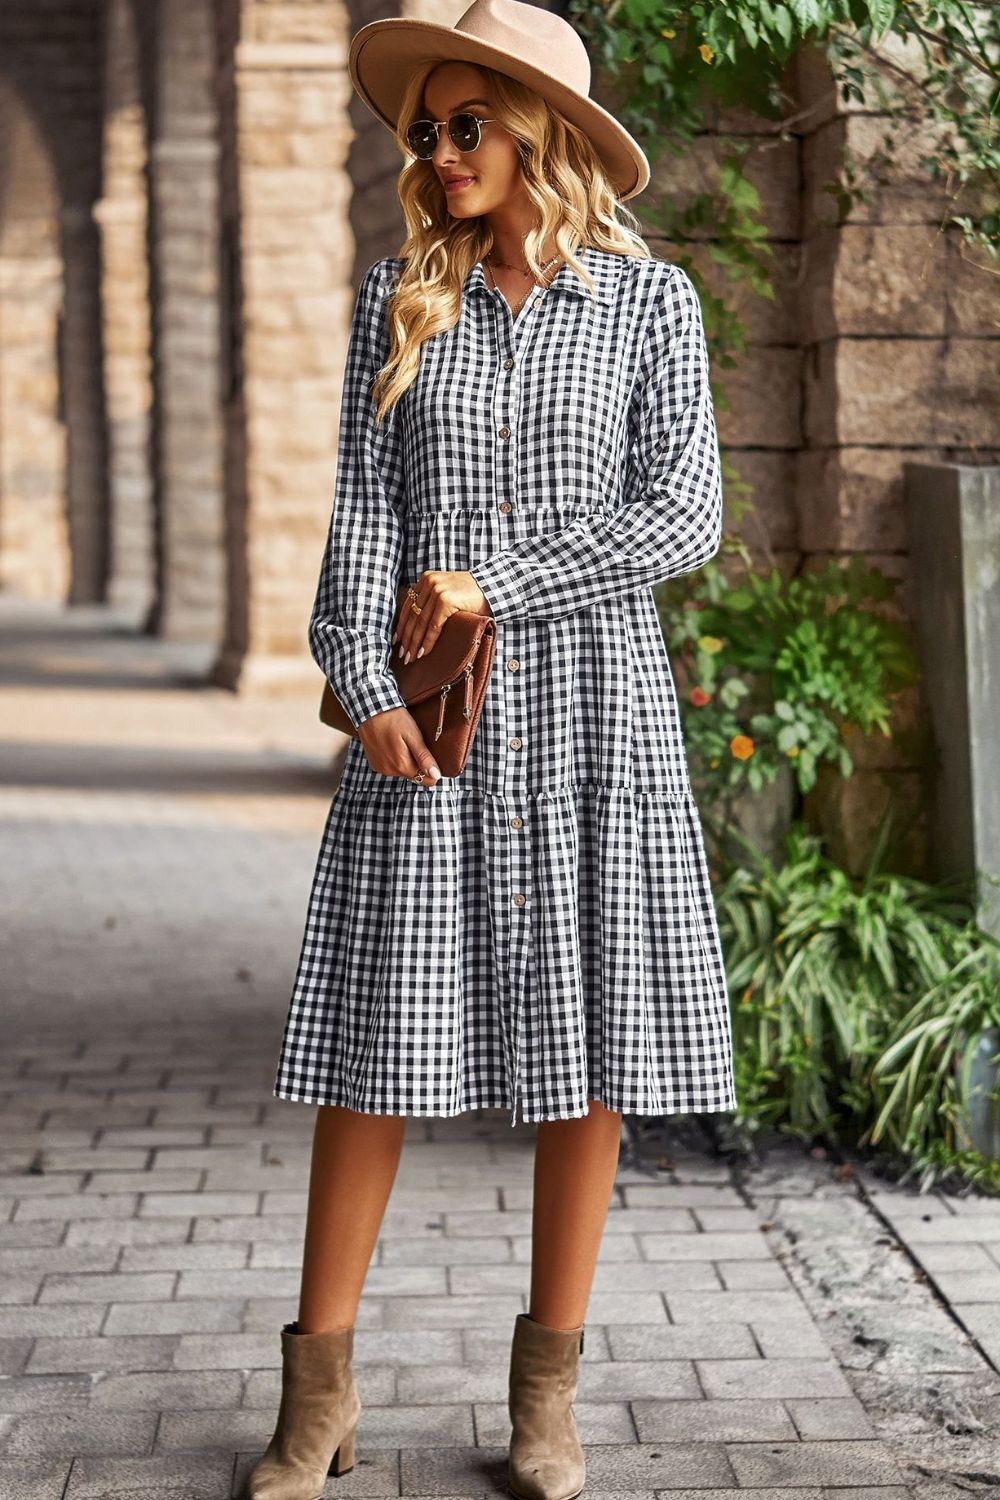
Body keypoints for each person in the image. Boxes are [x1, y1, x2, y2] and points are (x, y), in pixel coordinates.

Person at [246, 0, 737, 1496]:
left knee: (587, 1051)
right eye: (426, 132)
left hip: (598, 716)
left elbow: (682, 516)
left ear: (545, 136)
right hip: (432, 731)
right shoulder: (399, 299)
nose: (440, 153)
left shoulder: (650, 309)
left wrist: (499, 583)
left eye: (468, 125)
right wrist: (361, 676)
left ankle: (547, 1404)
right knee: (374, 1049)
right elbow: (361, 525)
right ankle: (316, 1404)